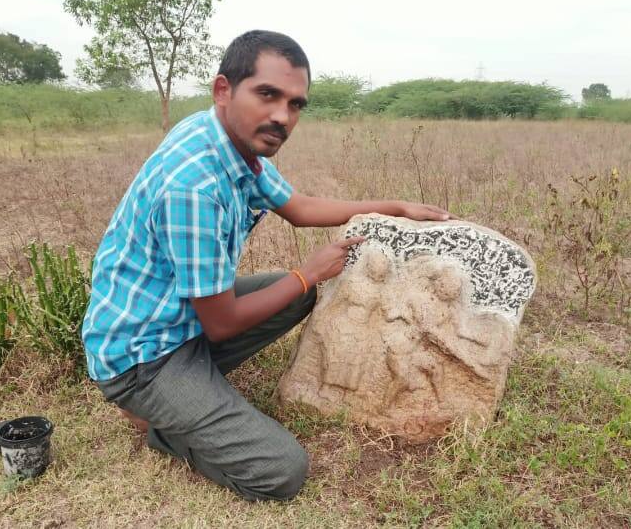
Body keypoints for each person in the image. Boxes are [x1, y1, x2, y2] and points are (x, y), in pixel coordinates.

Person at [81, 30, 453, 501]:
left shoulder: (232, 142)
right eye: (267, 95)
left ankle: (191, 394)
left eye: (296, 103)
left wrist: (394, 207)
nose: (282, 116)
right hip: (144, 357)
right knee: (281, 471)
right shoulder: (193, 187)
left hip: (178, 321)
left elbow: (297, 207)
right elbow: (221, 324)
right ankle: (159, 423)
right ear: (223, 90)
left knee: (293, 294)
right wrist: (308, 273)